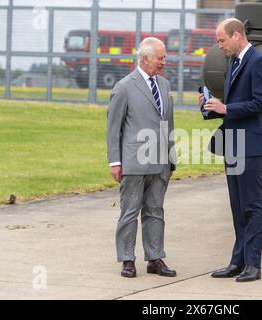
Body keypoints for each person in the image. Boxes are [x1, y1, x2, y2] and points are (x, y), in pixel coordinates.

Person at [200, 18, 262, 282]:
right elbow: (235, 106)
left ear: (237, 35)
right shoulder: (234, 63)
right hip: (233, 143)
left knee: (252, 205)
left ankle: (253, 264)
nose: (219, 46)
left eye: (221, 40)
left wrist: (227, 108)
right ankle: (238, 261)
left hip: (251, 145)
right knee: (237, 205)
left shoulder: (259, 61)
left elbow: (261, 103)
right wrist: (213, 106)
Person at [107, 37, 176, 278]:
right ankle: (127, 259)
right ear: (145, 59)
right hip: (133, 162)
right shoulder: (124, 86)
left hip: (160, 163)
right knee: (130, 211)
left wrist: (171, 157)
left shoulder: (165, 86)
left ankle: (155, 258)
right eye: (160, 58)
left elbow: (169, 124)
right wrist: (115, 162)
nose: (164, 62)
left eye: (164, 57)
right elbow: (113, 127)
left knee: (155, 210)